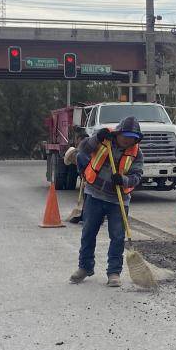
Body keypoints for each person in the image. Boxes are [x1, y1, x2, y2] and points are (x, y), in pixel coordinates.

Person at [69, 117, 144, 288]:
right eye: (125, 135)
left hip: (118, 200)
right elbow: (82, 149)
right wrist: (96, 138)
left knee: (117, 237)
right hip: (94, 194)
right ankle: (85, 267)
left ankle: (114, 272)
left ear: (136, 138)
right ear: (118, 133)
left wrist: (123, 180)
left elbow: (137, 177)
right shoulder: (103, 140)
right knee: (88, 233)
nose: (127, 139)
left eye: (132, 137)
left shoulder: (136, 153)